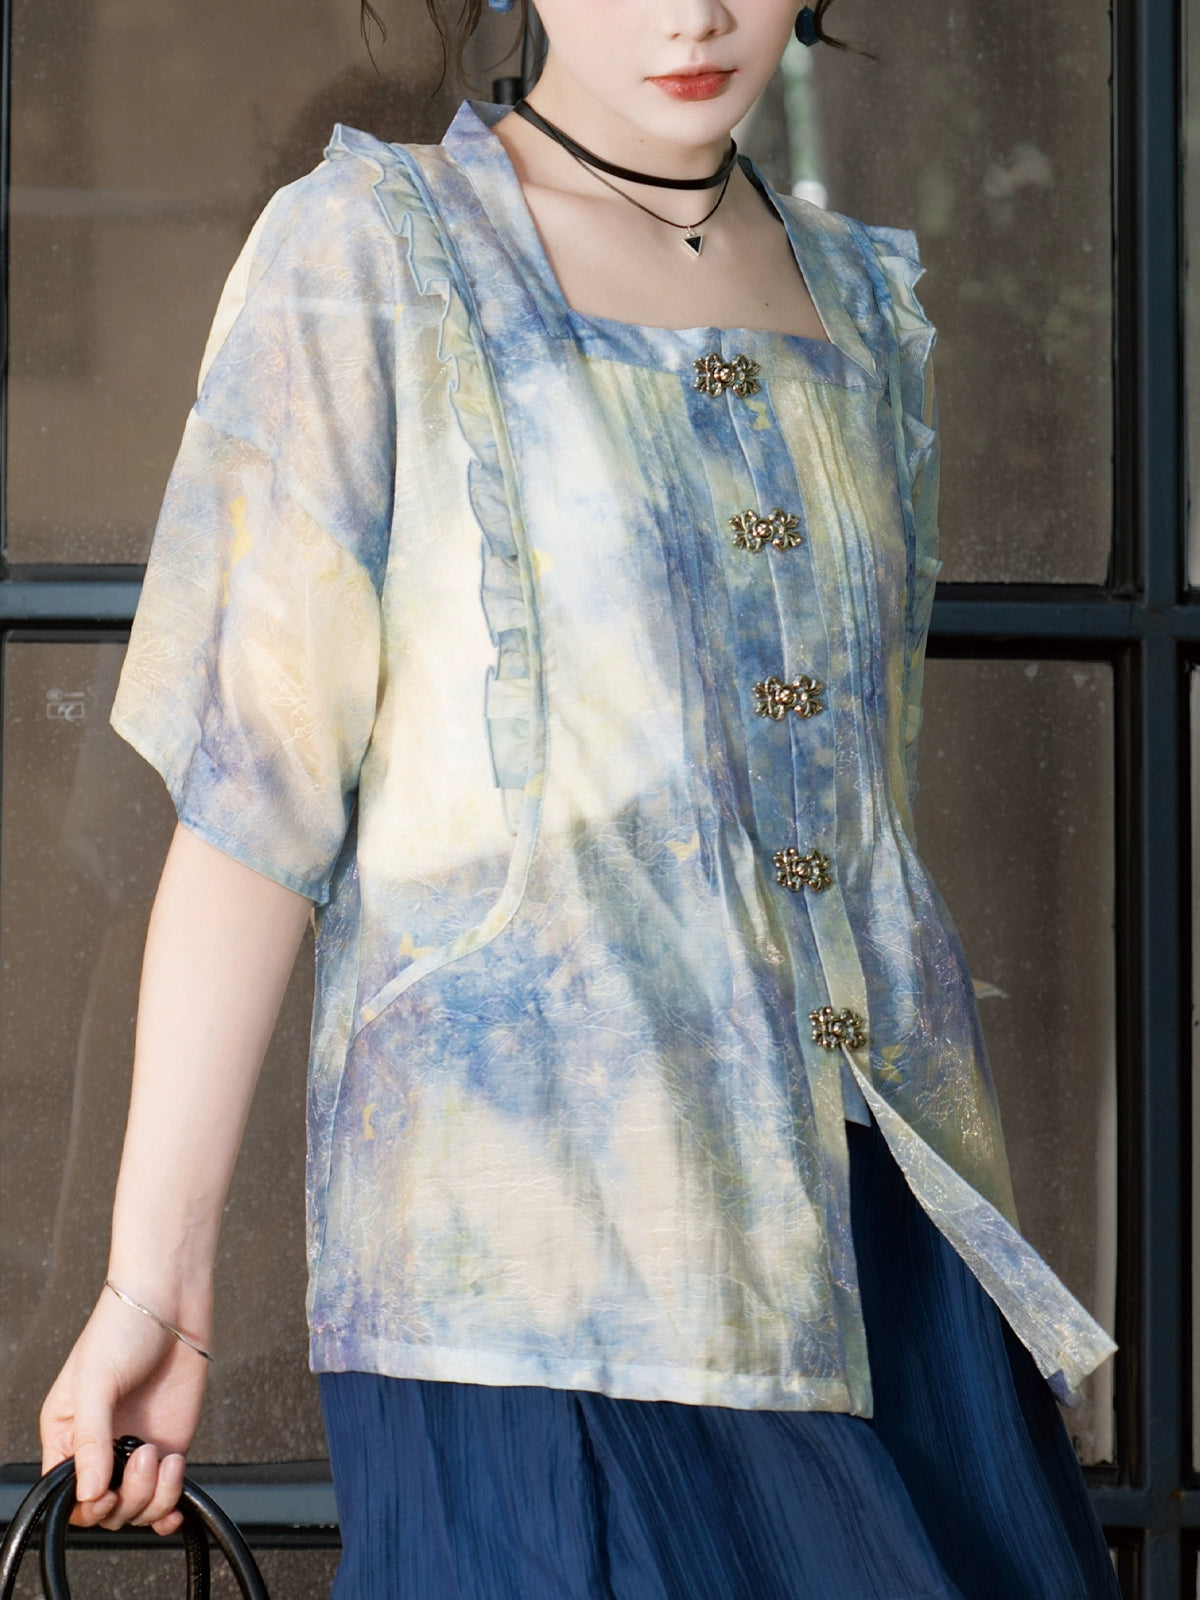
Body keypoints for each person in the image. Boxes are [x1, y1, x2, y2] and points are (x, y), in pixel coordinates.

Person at [38, 1, 1122, 1595]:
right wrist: (157, 1286)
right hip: (533, 1272)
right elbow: (250, 807)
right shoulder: (372, 253)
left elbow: (850, 811)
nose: (691, 14)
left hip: (892, 1251)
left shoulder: (862, 303)